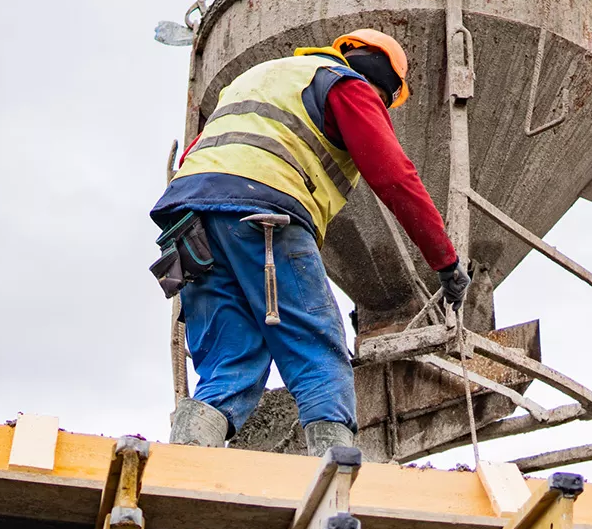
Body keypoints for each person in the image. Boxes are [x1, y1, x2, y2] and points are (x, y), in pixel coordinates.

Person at [149, 29, 469, 455]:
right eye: (388, 97)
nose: (383, 105)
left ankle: (186, 460)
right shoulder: (345, 85)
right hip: (263, 213)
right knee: (316, 343)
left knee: (230, 361)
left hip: (190, 222)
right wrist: (445, 262)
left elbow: (199, 150)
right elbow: (396, 178)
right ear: (380, 75)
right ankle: (333, 471)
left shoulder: (263, 76)